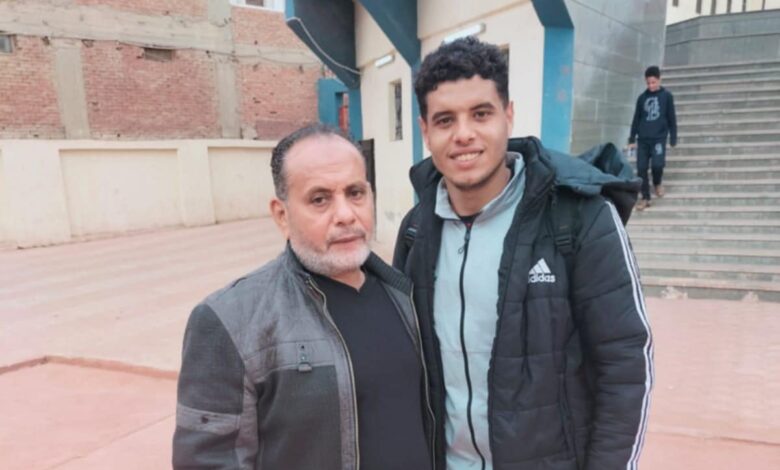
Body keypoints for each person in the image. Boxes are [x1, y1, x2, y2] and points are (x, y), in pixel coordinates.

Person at [393, 37, 653, 470]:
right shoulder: (416, 231)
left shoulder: (579, 217)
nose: (463, 134)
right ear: (425, 131)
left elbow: (625, 367)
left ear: (508, 115)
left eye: (481, 113)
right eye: (445, 120)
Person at [173, 124, 433, 469]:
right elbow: (208, 460)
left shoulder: (405, 294)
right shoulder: (231, 320)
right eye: (319, 199)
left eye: (355, 193)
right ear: (282, 215)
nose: (345, 215)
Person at [628, 65, 678, 210]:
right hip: (643, 139)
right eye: (648, 83)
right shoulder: (642, 98)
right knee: (641, 168)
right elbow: (636, 119)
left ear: (659, 80)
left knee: (657, 164)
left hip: (658, 138)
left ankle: (657, 183)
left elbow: (671, 118)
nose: (651, 85)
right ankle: (645, 197)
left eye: (653, 82)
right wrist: (632, 138)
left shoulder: (667, 97)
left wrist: (673, 136)